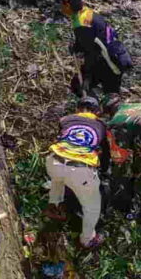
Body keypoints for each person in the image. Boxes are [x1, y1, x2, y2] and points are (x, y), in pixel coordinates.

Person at [42, 96, 110, 249]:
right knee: (91, 206)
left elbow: (62, 137)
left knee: (57, 180)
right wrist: (103, 171)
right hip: (80, 168)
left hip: (54, 160)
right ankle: (87, 239)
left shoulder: (66, 119)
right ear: (97, 112)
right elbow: (105, 154)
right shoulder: (101, 125)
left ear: (77, 109)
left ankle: (55, 207)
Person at [52, 0, 131, 98]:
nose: (60, 7)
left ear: (67, 4)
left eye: (61, 3)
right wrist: (76, 47)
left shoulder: (82, 24)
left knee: (85, 87)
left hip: (109, 63)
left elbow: (91, 52)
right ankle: (98, 107)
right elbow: (91, 40)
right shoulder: (86, 12)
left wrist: (88, 77)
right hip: (115, 54)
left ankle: (92, 109)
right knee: (108, 94)